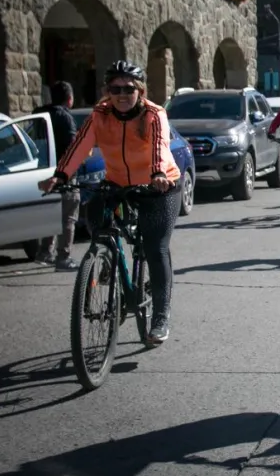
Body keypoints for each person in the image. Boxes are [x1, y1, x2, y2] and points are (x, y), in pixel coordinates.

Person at [38, 61, 181, 344]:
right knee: (96, 218)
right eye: (115, 88)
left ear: (139, 90)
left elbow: (159, 146)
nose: (122, 94)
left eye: (128, 88)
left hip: (159, 185)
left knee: (155, 246)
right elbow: (80, 145)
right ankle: (106, 261)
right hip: (119, 182)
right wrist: (60, 175)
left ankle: (160, 316)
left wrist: (157, 173)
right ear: (107, 91)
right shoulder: (100, 115)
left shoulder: (154, 113)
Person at [34, 81, 80, 270]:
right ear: (69, 99)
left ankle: (45, 251)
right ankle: (64, 256)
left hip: (43, 170)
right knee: (69, 215)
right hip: (64, 172)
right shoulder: (65, 118)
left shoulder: (39, 115)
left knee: (50, 211)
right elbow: (72, 148)